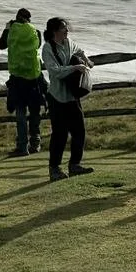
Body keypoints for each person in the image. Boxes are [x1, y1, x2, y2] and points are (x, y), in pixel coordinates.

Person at [40, 16, 94, 182]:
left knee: (79, 131)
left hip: (71, 96)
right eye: (64, 28)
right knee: (60, 134)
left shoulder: (68, 42)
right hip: (57, 97)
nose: (67, 30)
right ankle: (54, 169)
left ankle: (75, 165)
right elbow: (55, 71)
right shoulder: (47, 48)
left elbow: (78, 49)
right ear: (54, 31)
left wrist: (85, 59)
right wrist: (75, 67)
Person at [0, 8, 45, 157]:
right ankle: (36, 143)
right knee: (35, 111)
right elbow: (37, 47)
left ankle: (22, 146)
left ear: (16, 17)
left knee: (20, 112)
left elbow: (1, 45)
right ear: (29, 19)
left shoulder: (11, 31)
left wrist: (7, 28)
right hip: (34, 76)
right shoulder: (36, 32)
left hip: (17, 77)